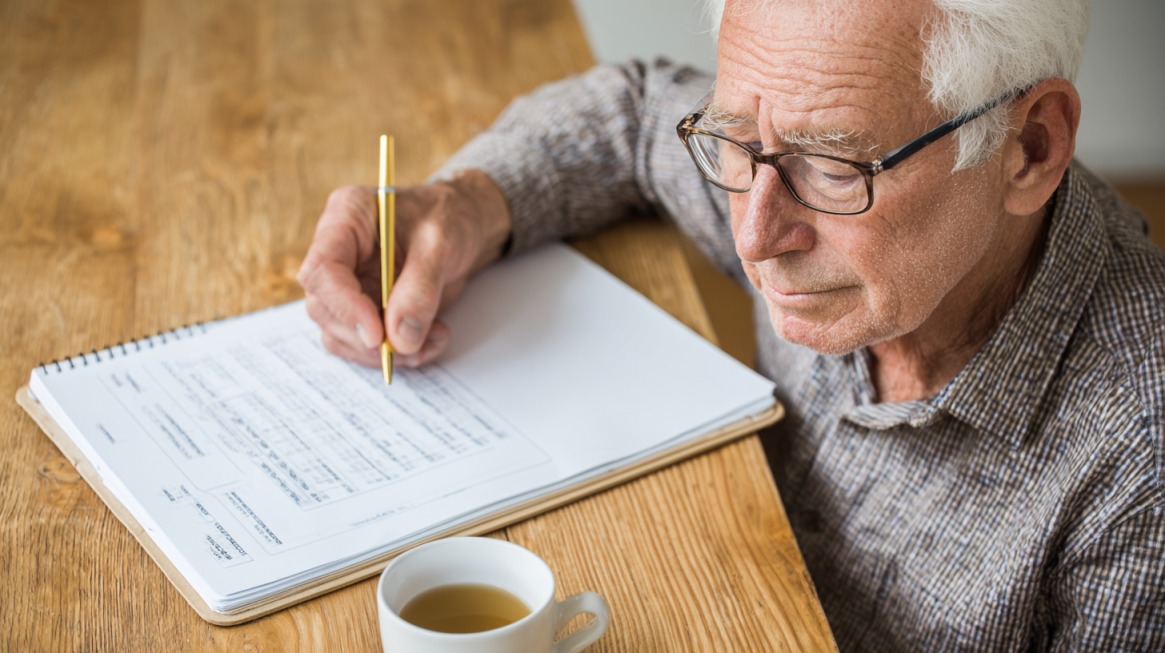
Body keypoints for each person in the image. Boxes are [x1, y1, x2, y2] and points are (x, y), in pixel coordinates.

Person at [297, 0, 1165, 648]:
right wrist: (462, 203)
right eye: (732, 140)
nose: (754, 235)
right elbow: (632, 110)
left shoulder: (1141, 460)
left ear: (1029, 148)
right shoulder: (779, 162)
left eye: (833, 166)